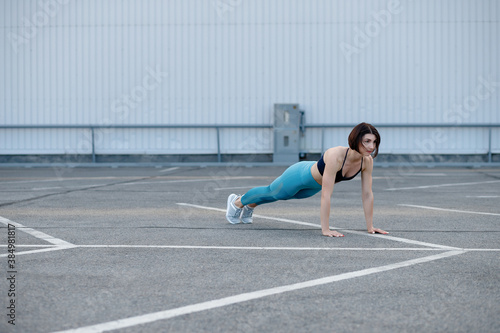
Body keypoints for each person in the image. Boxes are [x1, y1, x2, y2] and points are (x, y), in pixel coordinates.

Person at [225, 122, 389, 237]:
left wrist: (370, 227)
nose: (371, 146)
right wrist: (325, 229)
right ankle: (238, 202)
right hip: (299, 175)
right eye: (367, 141)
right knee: (274, 193)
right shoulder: (336, 155)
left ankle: (251, 205)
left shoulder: (366, 161)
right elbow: (327, 194)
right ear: (356, 139)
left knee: (283, 196)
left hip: (313, 187)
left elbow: (367, 194)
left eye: (374, 142)